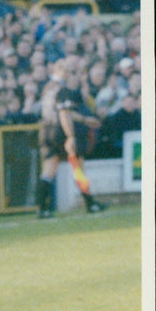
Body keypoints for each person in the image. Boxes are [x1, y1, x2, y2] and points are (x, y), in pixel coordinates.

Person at [36, 58, 107, 218]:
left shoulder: (47, 87)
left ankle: (42, 208)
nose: (70, 75)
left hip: (45, 129)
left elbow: (58, 111)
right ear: (62, 71)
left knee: (49, 169)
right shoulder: (61, 89)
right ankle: (90, 203)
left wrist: (84, 119)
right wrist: (71, 136)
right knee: (77, 164)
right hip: (58, 130)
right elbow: (64, 113)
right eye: (69, 71)